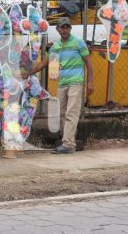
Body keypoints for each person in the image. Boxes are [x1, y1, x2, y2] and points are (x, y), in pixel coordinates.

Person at [23, 17, 94, 154]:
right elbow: (45, 63)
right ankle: (67, 141)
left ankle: (68, 144)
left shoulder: (78, 43)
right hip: (62, 83)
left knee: (71, 113)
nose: (65, 29)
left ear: (70, 29)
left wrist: (90, 82)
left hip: (76, 82)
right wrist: (29, 73)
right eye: (62, 27)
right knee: (61, 113)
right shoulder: (56, 46)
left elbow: (89, 64)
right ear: (58, 29)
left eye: (67, 27)